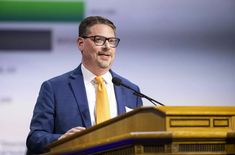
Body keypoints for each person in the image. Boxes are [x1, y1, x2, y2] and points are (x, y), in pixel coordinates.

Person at [26, 16, 143, 154]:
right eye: (99, 40)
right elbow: (35, 138)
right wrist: (62, 140)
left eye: (111, 41)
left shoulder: (131, 91)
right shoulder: (54, 88)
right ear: (81, 43)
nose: (107, 47)